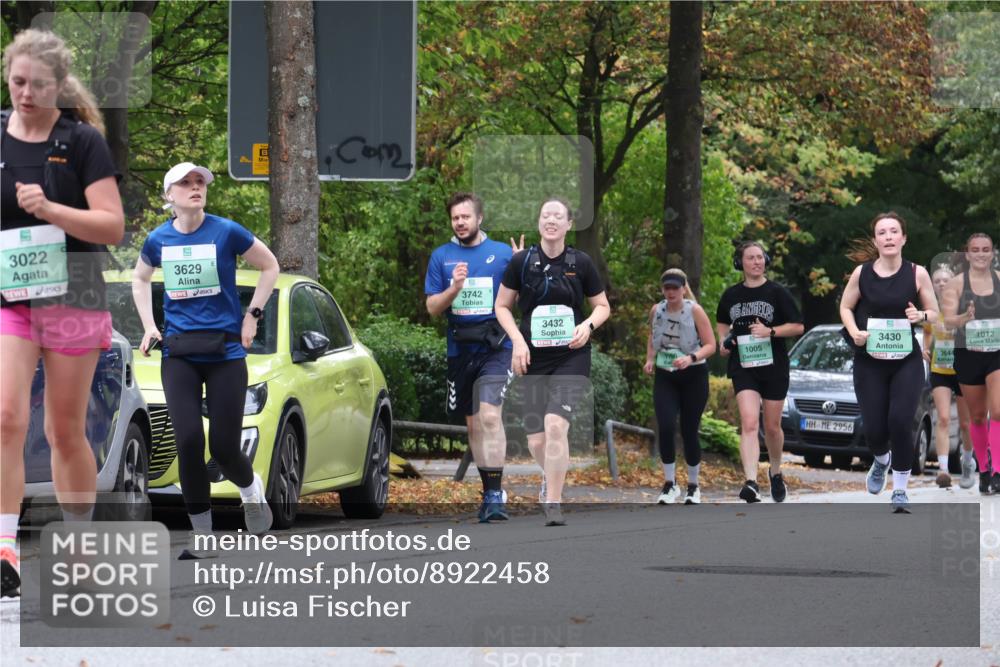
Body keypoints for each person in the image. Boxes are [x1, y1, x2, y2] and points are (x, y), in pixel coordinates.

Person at [1, 29, 125, 598]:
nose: (26, 94)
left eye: (39, 85)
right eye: (18, 81)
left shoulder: (82, 142)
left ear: (59, 86)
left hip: (73, 290)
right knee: (5, 418)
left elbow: (111, 225)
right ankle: (6, 553)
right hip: (12, 293)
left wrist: (50, 208)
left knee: (63, 430)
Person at [132, 162, 280, 558]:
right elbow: (140, 278)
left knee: (225, 448)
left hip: (226, 354)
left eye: (200, 182)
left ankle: (251, 491)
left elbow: (270, 266)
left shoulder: (226, 231)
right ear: (170, 195)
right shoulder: (157, 239)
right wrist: (149, 325)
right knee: (188, 441)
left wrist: (253, 315)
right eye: (186, 183)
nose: (195, 187)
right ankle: (202, 536)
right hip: (179, 354)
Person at [494, 197, 610, 526]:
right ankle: (550, 476)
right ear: (539, 222)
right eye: (546, 215)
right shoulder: (522, 262)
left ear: (569, 224)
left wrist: (587, 326)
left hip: (571, 356)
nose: (551, 220)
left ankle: (554, 502)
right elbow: (502, 306)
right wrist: (517, 341)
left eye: (558, 216)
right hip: (532, 356)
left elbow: (602, 306)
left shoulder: (581, 262)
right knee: (536, 440)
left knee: (556, 426)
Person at [840, 212, 938, 513]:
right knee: (874, 428)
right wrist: (855, 331)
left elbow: (934, 312)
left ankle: (900, 489)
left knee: (900, 420)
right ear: (876, 240)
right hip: (870, 360)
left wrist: (920, 316)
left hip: (905, 360)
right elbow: (845, 306)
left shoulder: (917, 273)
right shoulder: (862, 273)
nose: (888, 237)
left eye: (894, 231)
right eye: (882, 233)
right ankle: (881, 461)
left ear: (903, 238)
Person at [425, 193, 514, 522]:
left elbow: (521, 297)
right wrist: (454, 288)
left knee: (490, 416)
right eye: (455, 218)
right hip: (460, 350)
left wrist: (521, 269)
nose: (460, 222)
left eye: (465, 217)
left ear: (479, 218)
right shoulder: (441, 257)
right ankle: (488, 490)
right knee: (474, 424)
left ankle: (494, 495)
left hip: (496, 348)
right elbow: (433, 308)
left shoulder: (503, 254)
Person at [716, 241, 804, 503]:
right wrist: (724, 342)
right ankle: (751, 482)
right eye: (751, 258)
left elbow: (798, 326)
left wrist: (771, 331)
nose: (757, 262)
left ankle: (775, 472)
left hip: (774, 366)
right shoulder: (731, 295)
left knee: (773, 427)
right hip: (744, 366)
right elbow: (722, 322)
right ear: (740, 263)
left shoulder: (777, 292)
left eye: (760, 257)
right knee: (750, 422)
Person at [644, 269, 716, 505]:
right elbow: (652, 335)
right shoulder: (657, 310)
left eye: (676, 288)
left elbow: (711, 345)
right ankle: (669, 483)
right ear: (662, 289)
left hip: (693, 375)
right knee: (665, 426)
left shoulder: (694, 311)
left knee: (688, 430)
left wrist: (691, 358)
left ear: (684, 289)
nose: (671, 292)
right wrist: (650, 359)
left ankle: (693, 486)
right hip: (666, 376)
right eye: (667, 288)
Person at [941, 232, 1000, 495]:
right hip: (968, 353)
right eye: (975, 249)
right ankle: (984, 470)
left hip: (997, 353)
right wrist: (964, 317)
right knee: (977, 416)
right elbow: (947, 320)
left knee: (998, 411)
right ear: (968, 254)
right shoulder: (955, 284)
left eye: (985, 249)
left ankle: (998, 470)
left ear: (992, 253)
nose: (980, 254)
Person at [921, 265, 974, 489]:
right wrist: (925, 348)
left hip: (963, 369)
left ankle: (969, 462)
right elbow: (927, 332)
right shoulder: (931, 309)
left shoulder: (964, 307)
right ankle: (943, 471)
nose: (941, 284)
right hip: (940, 370)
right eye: (937, 281)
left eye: (946, 280)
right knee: (943, 418)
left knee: (964, 423)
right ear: (932, 285)